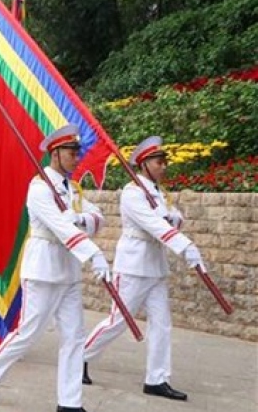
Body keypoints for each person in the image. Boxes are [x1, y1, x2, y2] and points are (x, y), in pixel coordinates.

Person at [0, 125, 109, 412]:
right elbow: (61, 228)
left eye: (77, 152)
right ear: (55, 154)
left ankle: (69, 403)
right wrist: (93, 253)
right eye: (71, 153)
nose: (77, 158)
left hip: (69, 270)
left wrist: (80, 220)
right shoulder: (38, 188)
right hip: (44, 268)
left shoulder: (71, 189)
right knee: (30, 331)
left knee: (74, 336)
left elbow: (98, 218)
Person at [83, 136, 201, 401]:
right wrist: (184, 245)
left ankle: (157, 378)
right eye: (159, 162)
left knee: (162, 324)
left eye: (164, 161)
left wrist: (168, 217)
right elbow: (155, 226)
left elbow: (176, 218)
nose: (163, 166)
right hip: (134, 265)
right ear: (145, 164)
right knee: (119, 320)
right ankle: (80, 357)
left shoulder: (159, 193)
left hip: (156, 266)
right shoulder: (132, 192)